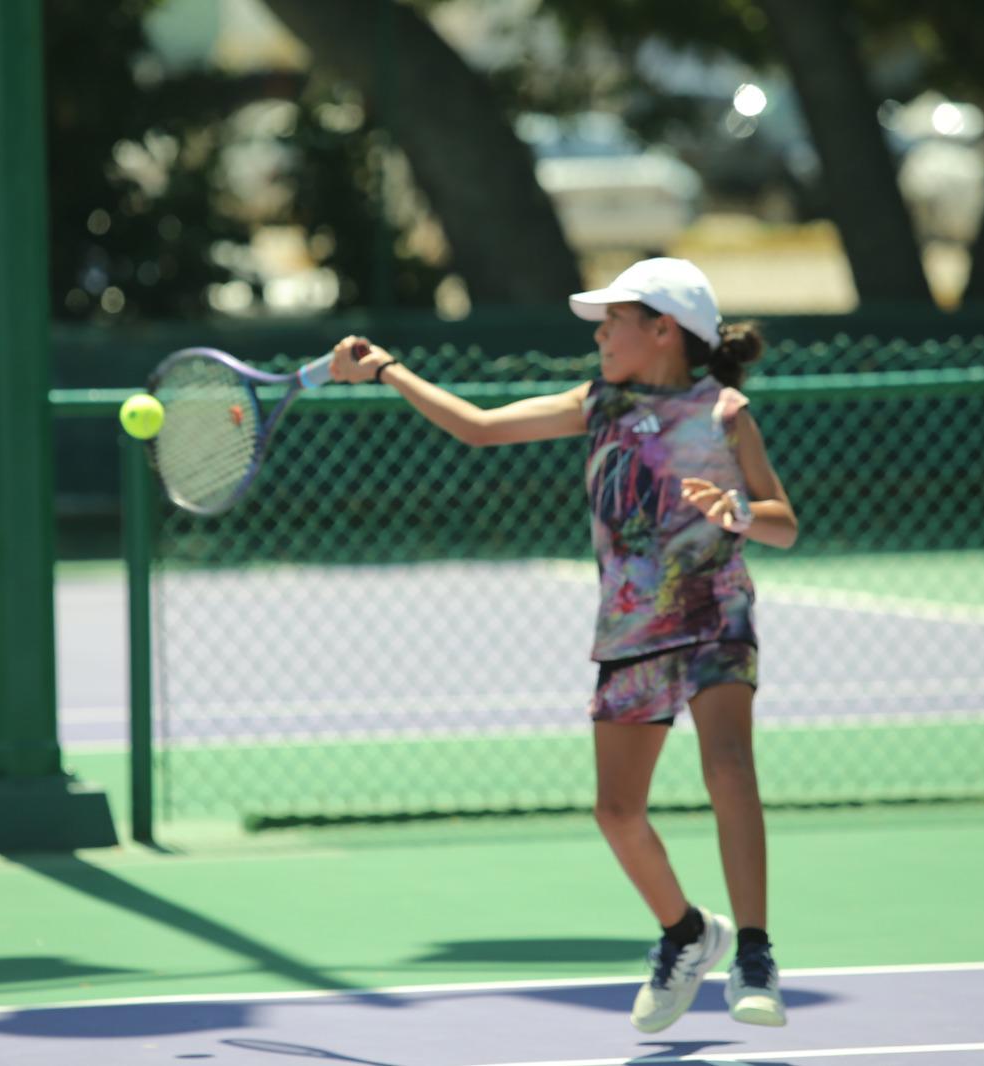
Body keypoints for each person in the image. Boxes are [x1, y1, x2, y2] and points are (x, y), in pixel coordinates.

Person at [329, 256, 798, 1034]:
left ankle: (754, 953)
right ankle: (687, 933)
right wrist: (386, 370)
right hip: (632, 628)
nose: (601, 332)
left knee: (728, 767)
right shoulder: (599, 403)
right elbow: (477, 429)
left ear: (663, 330)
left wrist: (741, 513)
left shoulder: (725, 411)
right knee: (617, 813)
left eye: (614, 319)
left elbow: (784, 521)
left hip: (716, 610)